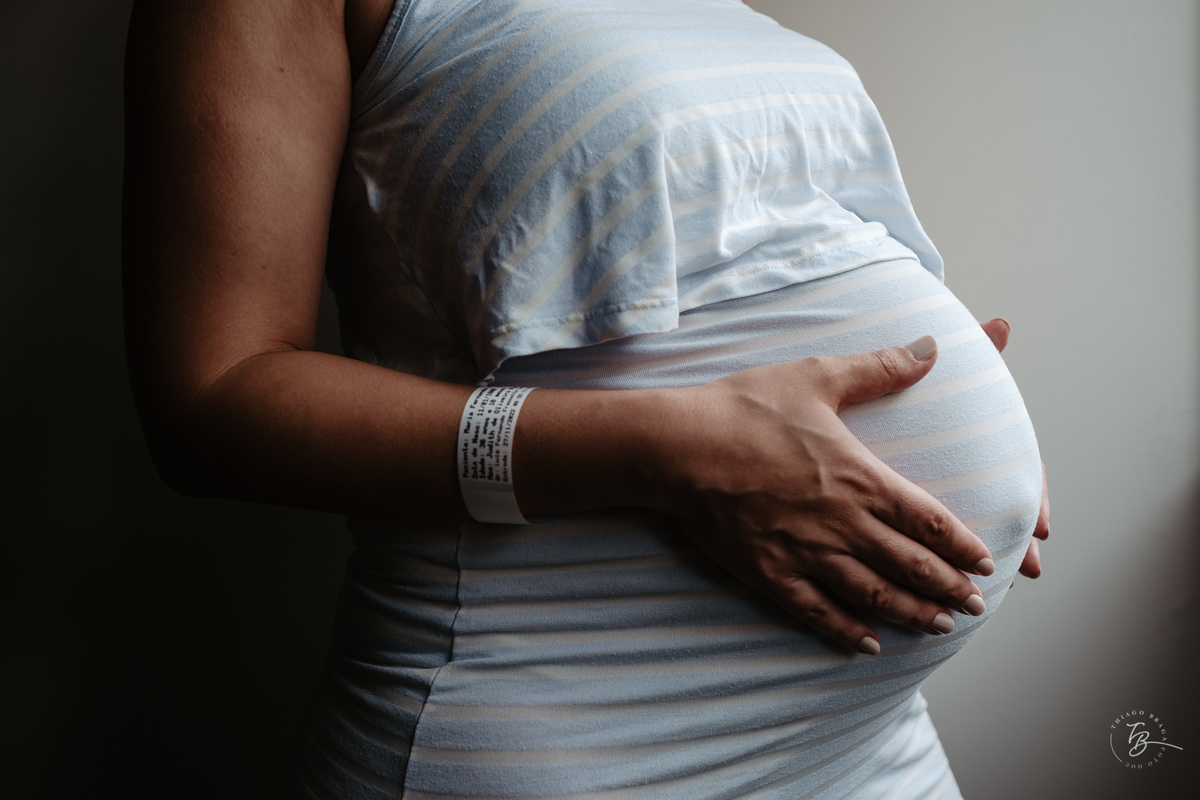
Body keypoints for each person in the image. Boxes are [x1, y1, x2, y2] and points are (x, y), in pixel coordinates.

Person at [123, 0, 1050, 797]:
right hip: (562, 735)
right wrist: (664, 448)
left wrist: (942, 376)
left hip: (865, 737)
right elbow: (211, 401)